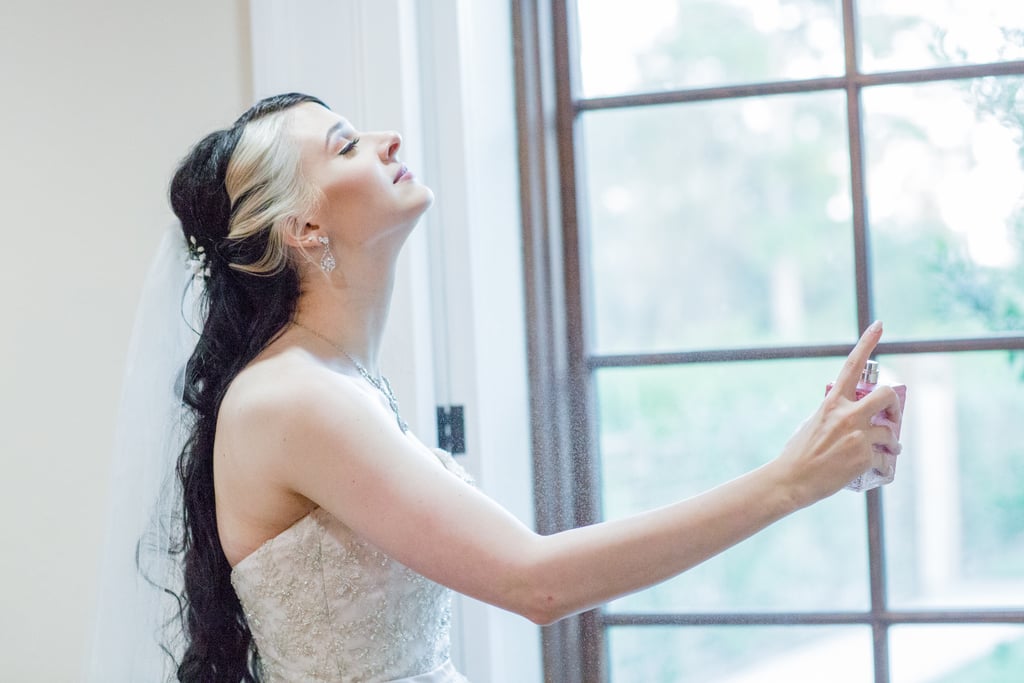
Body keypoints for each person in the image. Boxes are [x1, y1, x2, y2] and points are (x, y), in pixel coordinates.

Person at [100, 92, 903, 682]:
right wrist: (790, 481)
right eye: (345, 146)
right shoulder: (293, 399)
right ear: (304, 230)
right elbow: (537, 580)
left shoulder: (338, 383)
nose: (387, 140)